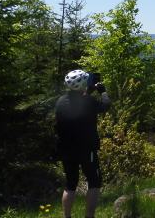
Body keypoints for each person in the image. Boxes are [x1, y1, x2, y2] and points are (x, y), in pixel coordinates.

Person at [55, 69, 111, 218]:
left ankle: (67, 216)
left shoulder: (60, 102)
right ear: (82, 85)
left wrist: (88, 92)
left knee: (70, 183)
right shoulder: (89, 101)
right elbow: (106, 105)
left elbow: (77, 103)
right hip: (87, 149)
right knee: (94, 181)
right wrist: (103, 92)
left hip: (66, 149)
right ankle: (89, 216)